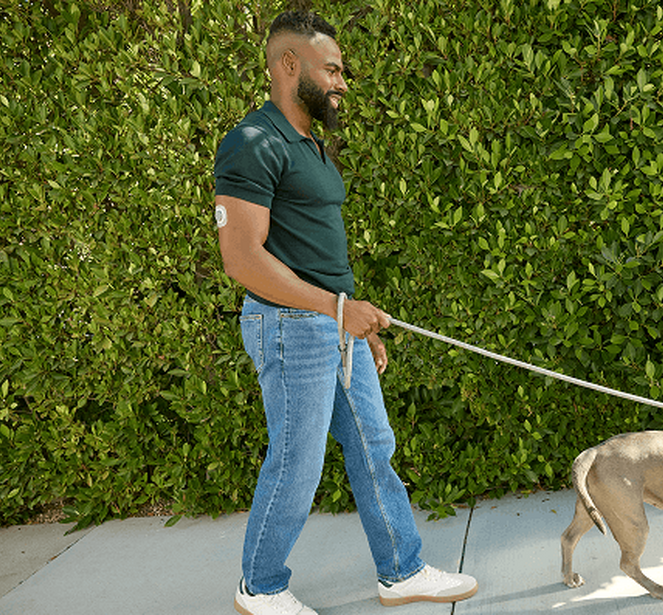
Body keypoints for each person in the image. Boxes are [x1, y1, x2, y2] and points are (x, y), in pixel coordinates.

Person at [213, 11, 477, 615]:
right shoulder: (252, 142)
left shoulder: (310, 145)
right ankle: (260, 588)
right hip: (288, 327)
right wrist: (338, 309)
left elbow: (317, 252)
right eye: (331, 69)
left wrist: (351, 319)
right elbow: (241, 258)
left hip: (330, 325)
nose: (342, 82)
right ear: (289, 65)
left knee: (373, 446)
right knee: (297, 463)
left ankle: (402, 572)